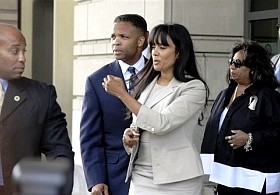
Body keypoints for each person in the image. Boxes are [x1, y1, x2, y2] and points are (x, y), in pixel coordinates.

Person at [103, 23, 209, 195]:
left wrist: (122, 94)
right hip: (142, 174)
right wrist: (129, 138)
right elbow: (140, 122)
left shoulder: (193, 88)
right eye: (153, 46)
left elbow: (161, 124)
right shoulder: (146, 84)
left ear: (179, 52)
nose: (155, 52)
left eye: (163, 47)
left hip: (179, 178)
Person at [0, 23, 74, 194]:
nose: (22, 58)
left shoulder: (42, 96)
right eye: (14, 51)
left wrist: (60, 182)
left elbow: (59, 149)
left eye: (24, 51)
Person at [80, 14, 148, 195]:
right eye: (113, 37)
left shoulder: (158, 74)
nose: (115, 42)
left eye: (123, 37)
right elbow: (90, 138)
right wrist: (96, 180)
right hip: (116, 178)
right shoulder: (96, 81)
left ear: (141, 40)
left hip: (156, 175)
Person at [201, 40, 280, 195]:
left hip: (256, 175)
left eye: (238, 63)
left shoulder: (268, 96)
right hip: (226, 172)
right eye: (231, 62)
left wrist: (250, 137)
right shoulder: (225, 94)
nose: (232, 67)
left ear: (254, 67)